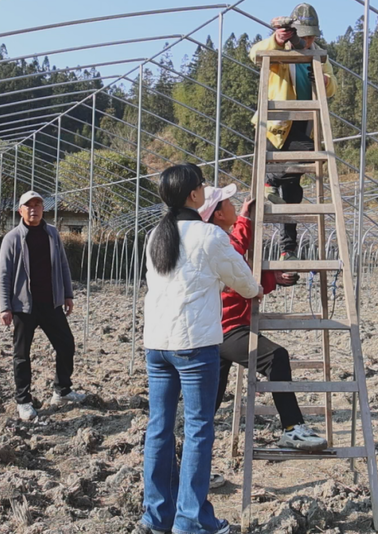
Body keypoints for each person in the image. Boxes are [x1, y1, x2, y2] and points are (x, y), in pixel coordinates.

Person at [136, 163, 262, 534]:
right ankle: (191, 520)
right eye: (203, 185)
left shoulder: (155, 235)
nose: (207, 189)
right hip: (193, 346)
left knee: (159, 428)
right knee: (197, 429)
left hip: (157, 345)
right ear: (193, 195)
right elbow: (246, 284)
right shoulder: (209, 236)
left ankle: (157, 516)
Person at [196, 187, 328, 489]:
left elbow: (239, 265)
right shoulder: (219, 241)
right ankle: (293, 427)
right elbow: (237, 271)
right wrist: (247, 219)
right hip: (227, 329)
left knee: (209, 405)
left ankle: (192, 472)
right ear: (218, 213)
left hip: (215, 332)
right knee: (276, 357)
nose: (234, 205)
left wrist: (272, 279)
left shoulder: (219, 239)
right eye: (229, 203)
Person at [249, 3, 338, 265]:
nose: (308, 40)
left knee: (294, 186)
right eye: (304, 35)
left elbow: (332, 87)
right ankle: (286, 245)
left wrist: (324, 81)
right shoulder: (277, 52)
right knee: (290, 186)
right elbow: (255, 54)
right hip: (277, 125)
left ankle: (287, 245)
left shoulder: (320, 55)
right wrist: (277, 39)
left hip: (305, 124)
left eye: (311, 36)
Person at [0, 190, 86, 422]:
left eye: (38, 205)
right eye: (29, 206)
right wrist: (4, 307)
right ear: (20, 210)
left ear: (42, 209)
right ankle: (23, 401)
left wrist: (67, 294)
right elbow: (3, 275)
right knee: (22, 355)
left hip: (51, 303)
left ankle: (62, 390)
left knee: (66, 344)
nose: (34, 209)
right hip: (23, 307)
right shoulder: (13, 238)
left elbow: (63, 266)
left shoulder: (52, 234)